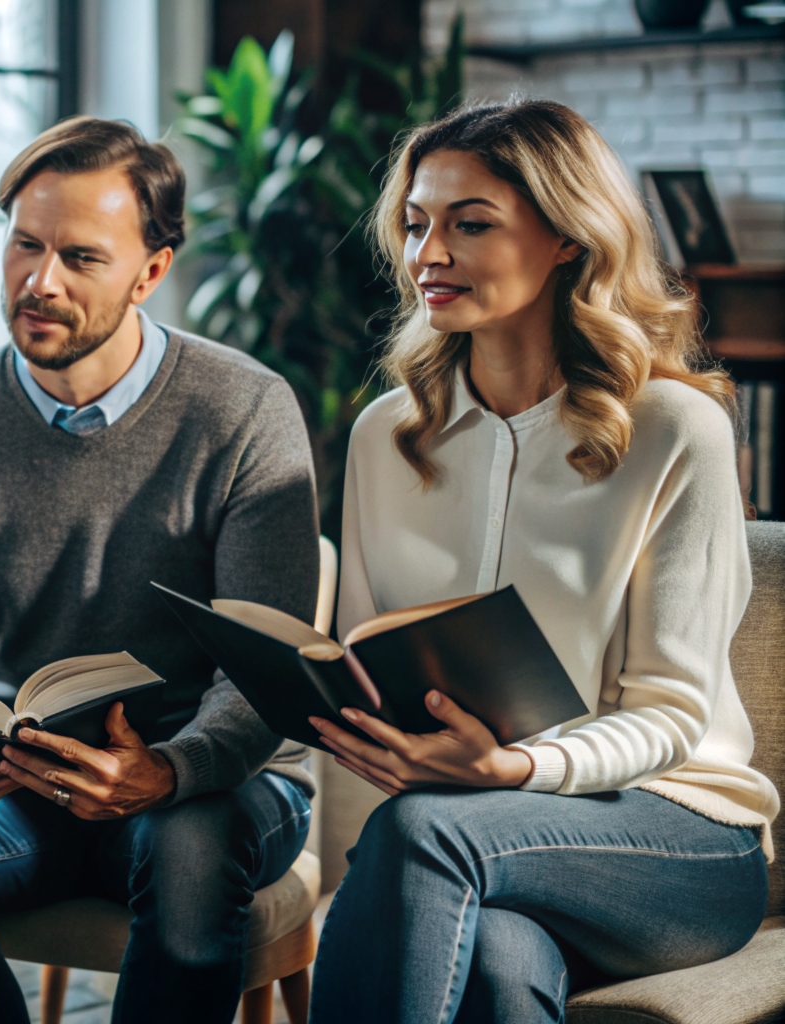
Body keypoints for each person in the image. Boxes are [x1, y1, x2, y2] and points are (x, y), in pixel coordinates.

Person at [309, 100, 779, 1023]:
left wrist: (513, 774)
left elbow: (670, 716)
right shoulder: (385, 437)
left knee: (423, 833)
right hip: (471, 824)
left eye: (469, 224)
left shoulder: (677, 430)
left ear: (569, 236)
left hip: (676, 836)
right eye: (414, 224)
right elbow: (370, 657)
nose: (426, 255)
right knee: (494, 961)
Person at [0, 116, 319, 1024]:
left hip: (211, 778)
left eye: (81, 257)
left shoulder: (244, 411)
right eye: (25, 246)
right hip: (21, 776)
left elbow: (265, 668)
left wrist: (171, 766)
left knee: (192, 855)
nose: (40, 283)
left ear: (151, 272)